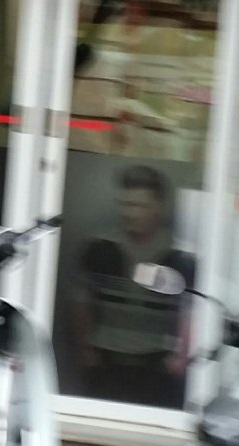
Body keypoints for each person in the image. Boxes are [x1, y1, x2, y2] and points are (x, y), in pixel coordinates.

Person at [69, 164, 194, 409]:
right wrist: (84, 348)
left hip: (158, 369)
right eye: (125, 204)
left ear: (159, 207)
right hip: (106, 365)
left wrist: (180, 357)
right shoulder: (99, 248)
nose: (130, 213)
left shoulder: (180, 255)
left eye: (140, 206)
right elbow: (80, 303)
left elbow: (191, 312)